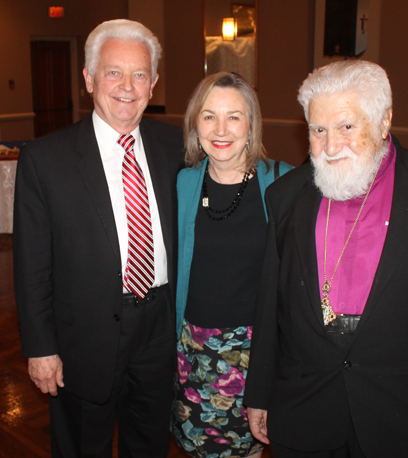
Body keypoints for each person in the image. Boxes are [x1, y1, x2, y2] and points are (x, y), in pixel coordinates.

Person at [243, 60, 408, 458]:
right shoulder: (285, 196)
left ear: (384, 122)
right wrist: (258, 391)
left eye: (347, 127)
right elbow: (270, 305)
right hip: (307, 410)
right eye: (318, 130)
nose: (330, 146)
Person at [14, 19, 184, 458]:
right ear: (89, 78)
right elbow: (32, 265)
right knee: (80, 446)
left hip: (161, 327)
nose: (127, 86)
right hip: (82, 338)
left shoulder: (178, 146)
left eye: (140, 74)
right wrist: (40, 348)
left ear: (154, 83)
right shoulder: (45, 159)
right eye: (113, 72)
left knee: (148, 443)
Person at [171, 71, 293, 457]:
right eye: (209, 116)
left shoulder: (283, 183)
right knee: (195, 447)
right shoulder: (182, 184)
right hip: (192, 352)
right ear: (195, 123)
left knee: (248, 449)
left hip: (255, 355)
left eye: (234, 116)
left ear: (251, 124)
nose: (220, 129)